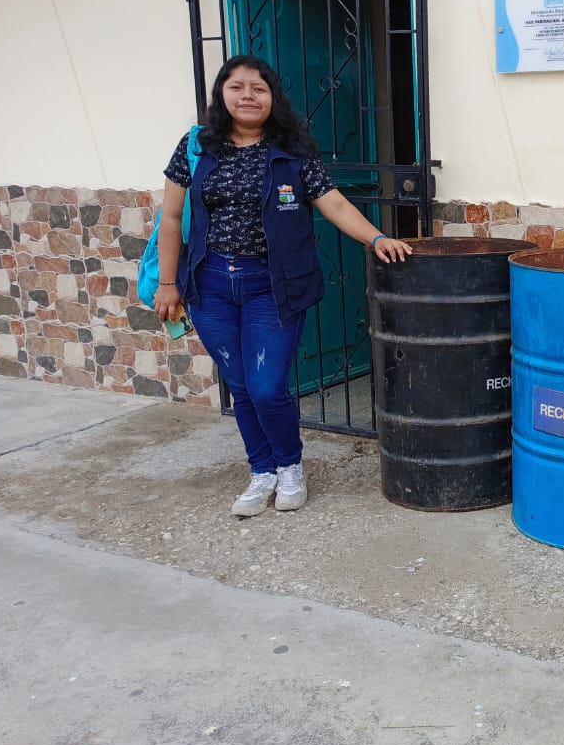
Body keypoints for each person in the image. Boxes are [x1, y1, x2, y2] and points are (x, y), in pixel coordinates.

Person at [153, 54, 412, 517]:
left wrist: (376, 238)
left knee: (267, 386)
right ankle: (262, 471)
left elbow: (333, 203)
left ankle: (289, 465)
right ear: (221, 94)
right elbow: (171, 217)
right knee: (240, 384)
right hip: (209, 284)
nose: (248, 96)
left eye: (259, 88)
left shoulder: (293, 151)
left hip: (271, 287)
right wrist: (168, 283)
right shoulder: (196, 146)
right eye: (237, 87)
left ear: (273, 97)